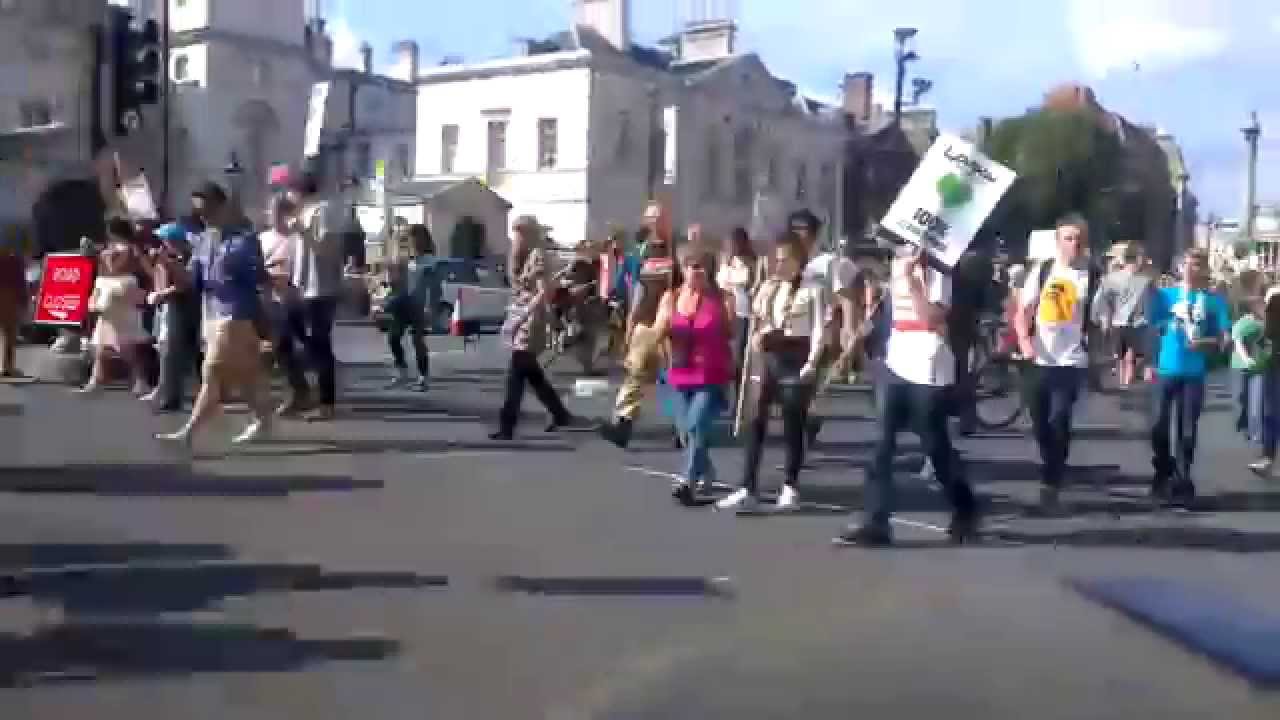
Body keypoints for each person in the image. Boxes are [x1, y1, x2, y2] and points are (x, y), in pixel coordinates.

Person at [835, 245, 979, 546]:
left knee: (935, 444)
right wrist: (866, 330)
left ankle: (965, 508)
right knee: (881, 443)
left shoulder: (940, 272)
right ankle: (875, 521)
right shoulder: (898, 263)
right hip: (895, 364)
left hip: (928, 366)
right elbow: (889, 311)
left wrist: (914, 279)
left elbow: (931, 318)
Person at [156, 181, 272, 446]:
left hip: (236, 314)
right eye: (199, 212)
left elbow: (258, 277)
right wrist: (171, 265)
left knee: (213, 372)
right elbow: (192, 281)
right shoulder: (204, 240)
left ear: (222, 206)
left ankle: (187, 434)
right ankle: (264, 420)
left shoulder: (244, 239)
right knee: (245, 376)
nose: (204, 217)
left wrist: (270, 308)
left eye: (207, 210)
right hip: (211, 315)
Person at [716, 231, 825, 514]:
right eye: (777, 260)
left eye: (785, 260)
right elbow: (758, 318)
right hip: (768, 357)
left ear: (799, 260)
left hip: (796, 356)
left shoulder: (813, 289)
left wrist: (812, 364)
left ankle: (790, 486)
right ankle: (747, 487)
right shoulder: (769, 287)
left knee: (792, 422)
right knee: (755, 421)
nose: (780, 266)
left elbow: (818, 331)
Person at [1014, 213, 1101, 512]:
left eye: (1078, 239)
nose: (1073, 244)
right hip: (1039, 356)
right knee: (1039, 422)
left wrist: (1102, 351)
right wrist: (1025, 342)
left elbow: (1098, 317)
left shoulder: (1091, 275)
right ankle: (1050, 461)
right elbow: (1022, 311)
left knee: (1059, 418)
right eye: (1068, 238)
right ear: (1057, 241)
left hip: (1071, 359)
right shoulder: (1043, 271)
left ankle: (1051, 480)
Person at [651, 241, 735, 505]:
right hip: (677, 373)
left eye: (699, 267)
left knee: (697, 423)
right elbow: (658, 330)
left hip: (710, 374)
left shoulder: (723, 299)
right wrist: (659, 331)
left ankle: (686, 481)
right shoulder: (671, 297)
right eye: (688, 266)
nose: (693, 272)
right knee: (689, 432)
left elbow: (733, 334)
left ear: (710, 270)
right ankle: (706, 470)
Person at [1145, 248, 1230, 504]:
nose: (1192, 270)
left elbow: (1224, 339)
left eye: (1198, 265)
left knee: (1187, 430)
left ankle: (1183, 479)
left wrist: (1207, 341)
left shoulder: (1214, 301)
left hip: (1193, 372)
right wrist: (1148, 360)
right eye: (1188, 265)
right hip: (1166, 369)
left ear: (1205, 269)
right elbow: (1150, 327)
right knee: (1157, 425)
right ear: (1180, 268)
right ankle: (1162, 469)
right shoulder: (1165, 295)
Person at [490, 216, 585, 440]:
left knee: (516, 373)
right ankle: (560, 413)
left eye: (521, 232)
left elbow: (543, 292)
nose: (517, 237)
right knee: (531, 375)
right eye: (515, 232)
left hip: (532, 320)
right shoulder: (518, 256)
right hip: (521, 317)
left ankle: (507, 425)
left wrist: (549, 321)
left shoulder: (537, 255)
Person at [598, 200, 676, 448]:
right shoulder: (640, 253)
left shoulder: (675, 251)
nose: (655, 221)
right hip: (644, 322)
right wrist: (630, 326)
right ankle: (623, 426)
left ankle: (683, 430)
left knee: (674, 379)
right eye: (651, 217)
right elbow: (636, 291)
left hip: (672, 324)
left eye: (660, 217)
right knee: (634, 376)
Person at [278, 172, 345, 421]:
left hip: (321, 289)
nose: (286, 197)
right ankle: (302, 391)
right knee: (284, 339)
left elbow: (326, 249)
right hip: (301, 288)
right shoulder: (302, 215)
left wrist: (303, 232)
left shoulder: (322, 211)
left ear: (298, 191)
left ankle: (327, 404)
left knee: (320, 344)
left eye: (288, 191)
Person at [788, 209, 858, 448]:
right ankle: (801, 433)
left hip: (822, 334)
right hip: (793, 335)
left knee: (809, 391)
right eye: (794, 229)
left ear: (814, 234)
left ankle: (806, 431)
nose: (798, 235)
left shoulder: (828, 263)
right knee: (793, 393)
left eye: (803, 230)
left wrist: (848, 330)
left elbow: (846, 297)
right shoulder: (787, 262)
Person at [77, 241, 151, 396]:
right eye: (107, 259)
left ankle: (140, 381)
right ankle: (96, 381)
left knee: (129, 353)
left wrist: (121, 296)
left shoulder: (130, 279)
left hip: (125, 319)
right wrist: (93, 305)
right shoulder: (102, 279)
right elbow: (93, 299)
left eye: (114, 259)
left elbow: (138, 299)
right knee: (100, 351)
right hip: (107, 320)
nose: (110, 263)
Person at [143, 222, 201, 412]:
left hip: (181, 309)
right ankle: (168, 392)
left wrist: (161, 294)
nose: (161, 245)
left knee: (173, 353)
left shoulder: (188, 259)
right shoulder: (168, 258)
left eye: (164, 241)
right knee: (165, 350)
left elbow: (185, 285)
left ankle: (173, 396)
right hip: (168, 307)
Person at [383, 224, 435, 390]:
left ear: (424, 240)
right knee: (393, 337)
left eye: (415, 238)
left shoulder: (430, 262)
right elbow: (399, 284)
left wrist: (429, 306)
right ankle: (402, 371)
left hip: (419, 306)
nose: (413, 242)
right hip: (404, 304)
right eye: (411, 239)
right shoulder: (408, 260)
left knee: (417, 341)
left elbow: (432, 287)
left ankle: (423, 378)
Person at [1093, 244, 1153, 387]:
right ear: (1135, 259)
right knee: (1121, 356)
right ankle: (1124, 385)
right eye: (1142, 257)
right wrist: (1102, 318)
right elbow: (1101, 299)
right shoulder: (1112, 279)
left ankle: (1127, 383)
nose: (1145, 261)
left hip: (1139, 323)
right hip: (1119, 322)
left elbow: (1152, 301)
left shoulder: (1146, 280)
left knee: (1132, 356)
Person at [716, 226, 762, 403]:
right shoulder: (726, 263)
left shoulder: (753, 263)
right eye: (730, 244)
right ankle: (726, 394)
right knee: (728, 356)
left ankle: (740, 398)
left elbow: (752, 285)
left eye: (735, 243)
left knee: (741, 358)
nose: (732, 247)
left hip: (745, 315)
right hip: (728, 313)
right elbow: (721, 285)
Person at [0, 233, 26, 379]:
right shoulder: (15, 260)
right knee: (9, 335)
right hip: (8, 297)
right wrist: (23, 301)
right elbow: (19, 282)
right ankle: (7, 368)